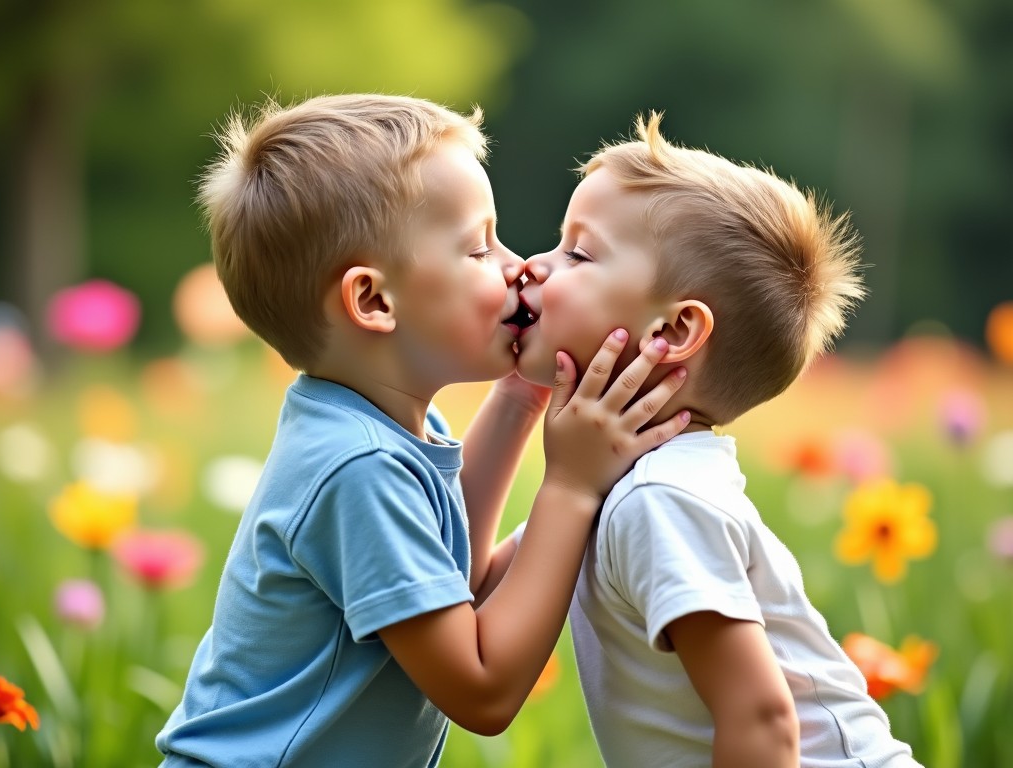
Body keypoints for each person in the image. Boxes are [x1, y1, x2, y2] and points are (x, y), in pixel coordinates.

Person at [155, 94, 691, 768]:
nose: (516, 266)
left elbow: (451, 579)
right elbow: (482, 692)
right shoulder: (357, 468)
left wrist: (524, 399)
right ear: (375, 301)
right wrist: (572, 490)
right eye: (477, 248)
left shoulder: (374, 424)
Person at [513, 112, 924, 767]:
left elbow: (761, 721)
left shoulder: (660, 498)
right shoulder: (614, 483)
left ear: (672, 332)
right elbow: (475, 587)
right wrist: (515, 391)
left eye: (578, 254)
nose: (533, 265)